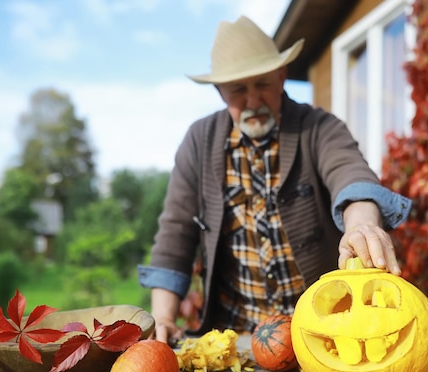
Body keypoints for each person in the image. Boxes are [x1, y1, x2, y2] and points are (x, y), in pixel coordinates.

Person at [138, 15, 412, 342]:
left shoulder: (319, 127)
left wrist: (361, 225)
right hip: (233, 334)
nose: (253, 101)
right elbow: (176, 231)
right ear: (219, 91)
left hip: (324, 330)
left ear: (281, 76)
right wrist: (163, 317)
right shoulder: (200, 140)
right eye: (239, 89)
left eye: (263, 84)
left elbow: (348, 171)